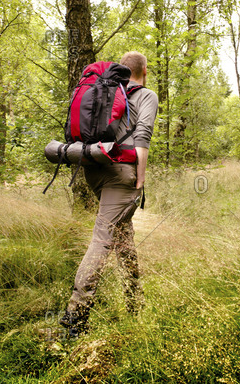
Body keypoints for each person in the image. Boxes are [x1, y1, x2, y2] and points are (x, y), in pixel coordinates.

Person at [59, 51, 158, 336]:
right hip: (122, 174)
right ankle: (75, 316)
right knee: (103, 238)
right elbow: (143, 135)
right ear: (144, 71)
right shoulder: (146, 95)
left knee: (122, 234)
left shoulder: (106, 91)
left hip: (95, 169)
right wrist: (139, 179)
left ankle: (134, 300)